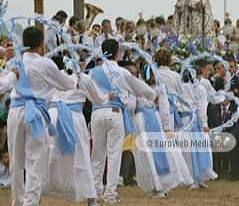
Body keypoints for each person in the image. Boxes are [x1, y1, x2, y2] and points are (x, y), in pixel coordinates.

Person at [7, 26, 76, 206]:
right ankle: (30, 203)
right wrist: (70, 71)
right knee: (35, 160)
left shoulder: (15, 60)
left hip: (15, 111)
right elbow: (67, 85)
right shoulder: (45, 63)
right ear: (41, 43)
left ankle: (17, 201)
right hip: (35, 113)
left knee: (16, 161)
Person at [90, 39, 157, 204]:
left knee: (97, 155)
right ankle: (110, 194)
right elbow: (139, 87)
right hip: (114, 113)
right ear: (117, 53)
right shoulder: (122, 72)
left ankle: (94, 193)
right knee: (114, 155)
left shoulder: (93, 72)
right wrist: (152, 95)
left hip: (96, 112)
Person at [46, 58, 111, 206]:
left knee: (49, 154)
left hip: (53, 116)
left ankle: (37, 192)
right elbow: (99, 100)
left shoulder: (55, 75)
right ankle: (91, 199)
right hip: (73, 117)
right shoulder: (83, 78)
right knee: (81, 155)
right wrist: (109, 96)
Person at [133, 65, 193, 198]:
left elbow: (132, 105)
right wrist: (167, 128)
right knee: (161, 152)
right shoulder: (159, 88)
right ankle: (160, 184)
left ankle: (153, 185)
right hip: (154, 119)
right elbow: (165, 109)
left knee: (146, 154)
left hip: (141, 120)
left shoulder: (137, 86)